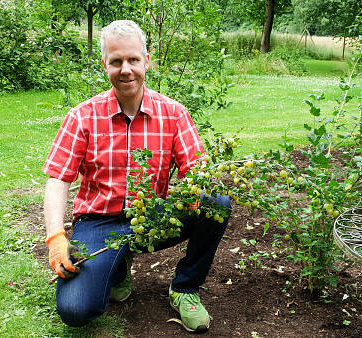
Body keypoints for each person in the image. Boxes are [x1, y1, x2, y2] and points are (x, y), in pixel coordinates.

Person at [42, 19, 230, 333]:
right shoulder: (82, 116)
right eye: (116, 61)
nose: (126, 69)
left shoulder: (173, 114)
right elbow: (58, 179)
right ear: (105, 64)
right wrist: (55, 238)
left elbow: (199, 175)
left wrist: (198, 185)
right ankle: (117, 268)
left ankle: (184, 287)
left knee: (216, 201)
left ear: (147, 61)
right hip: (98, 222)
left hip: (151, 218)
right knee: (76, 310)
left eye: (133, 59)